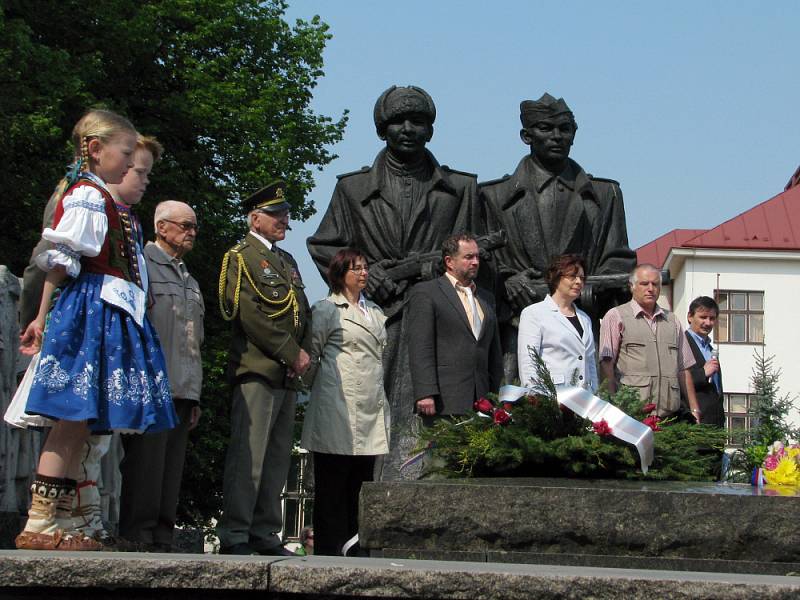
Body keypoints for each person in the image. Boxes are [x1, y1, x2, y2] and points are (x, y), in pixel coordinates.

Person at [15, 109, 177, 550]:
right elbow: (59, 260)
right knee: (69, 418)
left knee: (82, 423)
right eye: (125, 155)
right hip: (87, 313)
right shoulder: (86, 194)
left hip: (105, 316)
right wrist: (40, 316)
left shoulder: (105, 199)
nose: (130, 165)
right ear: (95, 149)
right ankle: (40, 523)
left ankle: (64, 521)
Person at [307, 86, 483, 479]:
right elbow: (324, 246)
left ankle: (423, 494)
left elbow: (475, 253)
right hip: (374, 320)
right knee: (366, 414)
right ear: (381, 129)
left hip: (439, 319)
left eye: (417, 122)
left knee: (432, 412)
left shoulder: (460, 189)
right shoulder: (352, 189)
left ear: (431, 130)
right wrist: (366, 276)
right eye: (397, 122)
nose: (407, 129)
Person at [480, 93, 636, 380]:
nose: (556, 136)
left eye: (564, 129)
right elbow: (478, 261)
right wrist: (507, 280)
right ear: (526, 136)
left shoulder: (605, 195)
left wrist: (587, 289)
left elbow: (619, 259)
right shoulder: (493, 196)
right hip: (516, 329)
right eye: (545, 129)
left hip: (579, 326)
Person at [216, 180, 312, 556]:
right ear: (255, 218)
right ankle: (236, 533)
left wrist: (300, 355)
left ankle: (264, 532)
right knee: (249, 457)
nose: (284, 220)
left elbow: (299, 311)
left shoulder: (286, 260)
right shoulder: (241, 257)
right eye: (277, 214)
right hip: (257, 369)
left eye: (285, 214)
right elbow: (249, 315)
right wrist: (292, 353)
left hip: (287, 373)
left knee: (275, 460)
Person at [119, 200, 204, 551]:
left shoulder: (190, 279)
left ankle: (163, 536)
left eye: (194, 226)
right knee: (145, 468)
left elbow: (196, 339)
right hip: (152, 384)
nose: (192, 233)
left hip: (183, 388)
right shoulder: (142, 267)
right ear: (162, 227)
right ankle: (137, 535)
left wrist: (196, 394)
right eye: (185, 226)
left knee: (170, 470)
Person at [301, 248, 389, 556]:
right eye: (356, 269)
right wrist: (313, 391)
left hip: (368, 405)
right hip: (336, 402)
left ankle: (354, 544)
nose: (364, 273)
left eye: (365, 268)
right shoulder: (326, 309)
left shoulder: (376, 311)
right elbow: (311, 357)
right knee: (332, 483)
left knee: (359, 481)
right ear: (340, 274)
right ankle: (328, 547)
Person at [407, 234, 503, 420]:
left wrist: (498, 397)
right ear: (449, 261)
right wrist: (425, 392)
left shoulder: (486, 298)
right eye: (468, 257)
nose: (475, 262)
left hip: (483, 402)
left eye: (477, 257)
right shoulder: (427, 292)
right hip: (444, 401)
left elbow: (494, 353)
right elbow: (420, 347)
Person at [599, 264, 700, 421]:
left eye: (655, 284)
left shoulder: (672, 321)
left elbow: (683, 369)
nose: (650, 288)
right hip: (631, 415)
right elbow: (606, 364)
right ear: (632, 287)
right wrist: (612, 405)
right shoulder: (616, 316)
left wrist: (695, 409)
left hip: (669, 417)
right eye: (644, 284)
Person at [517, 254, 597, 391]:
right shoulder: (534, 314)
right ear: (556, 278)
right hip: (553, 397)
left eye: (582, 278)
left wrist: (595, 393)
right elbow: (528, 363)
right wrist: (538, 400)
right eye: (573, 276)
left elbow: (590, 363)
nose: (579, 282)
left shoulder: (585, 318)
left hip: (585, 400)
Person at [684, 296, 725, 427]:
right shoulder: (681, 344)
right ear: (690, 317)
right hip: (693, 424)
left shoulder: (710, 349)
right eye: (703, 317)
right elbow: (675, 380)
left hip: (715, 426)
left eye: (712, 318)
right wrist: (702, 373)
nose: (708, 323)